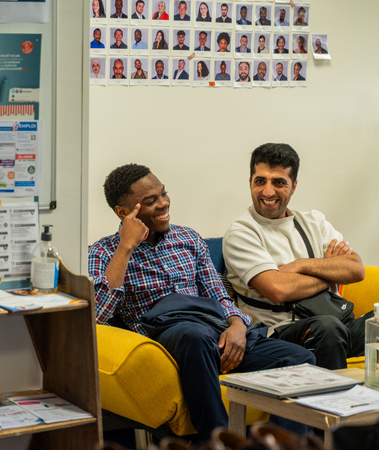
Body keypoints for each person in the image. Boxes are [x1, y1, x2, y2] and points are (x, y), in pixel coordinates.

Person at [90, 164, 315, 441]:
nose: (163, 204)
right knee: (192, 336)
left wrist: (237, 326)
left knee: (300, 359)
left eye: (164, 194)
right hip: (166, 335)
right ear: (123, 212)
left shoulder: (188, 238)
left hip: (212, 328)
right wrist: (126, 247)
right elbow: (98, 314)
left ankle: (282, 446)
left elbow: (218, 293)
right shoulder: (103, 251)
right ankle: (219, 443)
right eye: (150, 201)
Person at [223, 144, 379, 371]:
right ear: (250, 183)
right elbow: (278, 290)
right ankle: (334, 407)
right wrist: (329, 273)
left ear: (293, 187)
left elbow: (355, 269)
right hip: (284, 332)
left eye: (279, 182)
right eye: (260, 181)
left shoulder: (314, 221)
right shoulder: (241, 232)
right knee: (328, 327)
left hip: (343, 323)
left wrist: (298, 266)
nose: (268, 191)